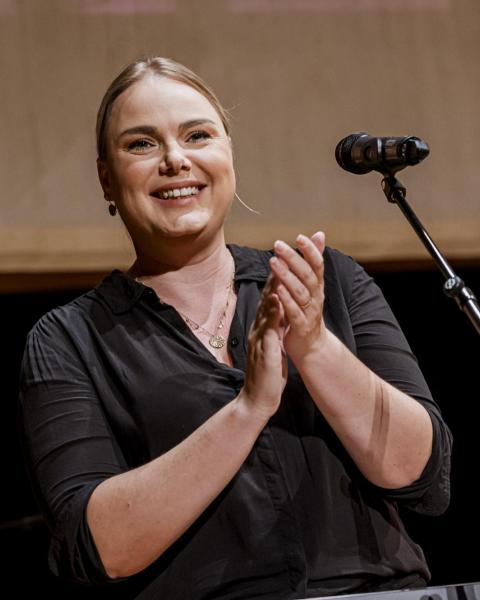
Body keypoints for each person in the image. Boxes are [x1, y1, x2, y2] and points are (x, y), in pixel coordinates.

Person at [19, 57, 452, 600]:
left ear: (228, 153)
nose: (176, 160)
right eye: (141, 144)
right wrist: (249, 408)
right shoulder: (69, 340)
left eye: (197, 135)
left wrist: (315, 347)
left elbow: (423, 478)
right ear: (107, 177)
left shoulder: (330, 280)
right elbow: (98, 546)